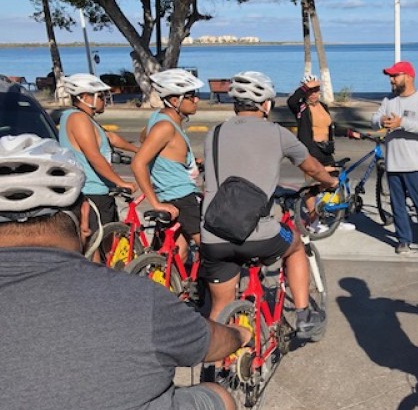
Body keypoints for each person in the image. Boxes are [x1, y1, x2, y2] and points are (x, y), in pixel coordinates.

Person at [0, 134, 250, 410]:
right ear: (84, 218)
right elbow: (211, 345)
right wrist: (240, 337)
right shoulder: (138, 298)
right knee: (221, 403)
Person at [200, 71, 338, 340]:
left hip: (213, 233)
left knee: (219, 308)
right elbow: (311, 166)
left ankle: (214, 369)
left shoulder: (213, 133)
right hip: (256, 234)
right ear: (266, 104)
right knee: (295, 245)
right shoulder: (277, 133)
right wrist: (330, 182)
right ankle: (303, 315)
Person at [131, 68, 204, 262]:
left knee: (178, 253)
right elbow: (138, 163)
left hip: (172, 194)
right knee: (213, 250)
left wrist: (183, 159)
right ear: (174, 101)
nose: (196, 100)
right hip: (182, 196)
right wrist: (154, 202)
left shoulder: (159, 117)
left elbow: (144, 138)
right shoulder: (165, 127)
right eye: (191, 96)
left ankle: (173, 288)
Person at [371, 60, 418, 254]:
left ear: (408, 77)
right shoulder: (389, 101)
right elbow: (373, 120)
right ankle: (403, 239)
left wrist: (402, 122)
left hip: (415, 165)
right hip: (393, 164)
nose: (391, 80)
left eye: (395, 76)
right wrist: (381, 120)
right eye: (390, 77)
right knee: (397, 205)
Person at [59, 73, 139, 231]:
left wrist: (139, 151)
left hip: (96, 192)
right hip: (92, 193)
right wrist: (120, 182)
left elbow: (111, 138)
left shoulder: (84, 118)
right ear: (85, 97)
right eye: (101, 96)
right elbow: (94, 156)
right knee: (101, 244)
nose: (105, 100)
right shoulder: (78, 119)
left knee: (104, 244)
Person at [287, 73, 359, 234]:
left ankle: (336, 219)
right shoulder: (301, 108)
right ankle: (314, 223)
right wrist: (306, 87)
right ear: (304, 91)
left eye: (316, 90)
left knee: (333, 181)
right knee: (313, 185)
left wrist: (348, 132)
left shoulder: (323, 106)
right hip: (310, 151)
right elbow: (291, 101)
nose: (313, 94)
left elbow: (329, 127)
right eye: (310, 91)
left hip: (325, 150)